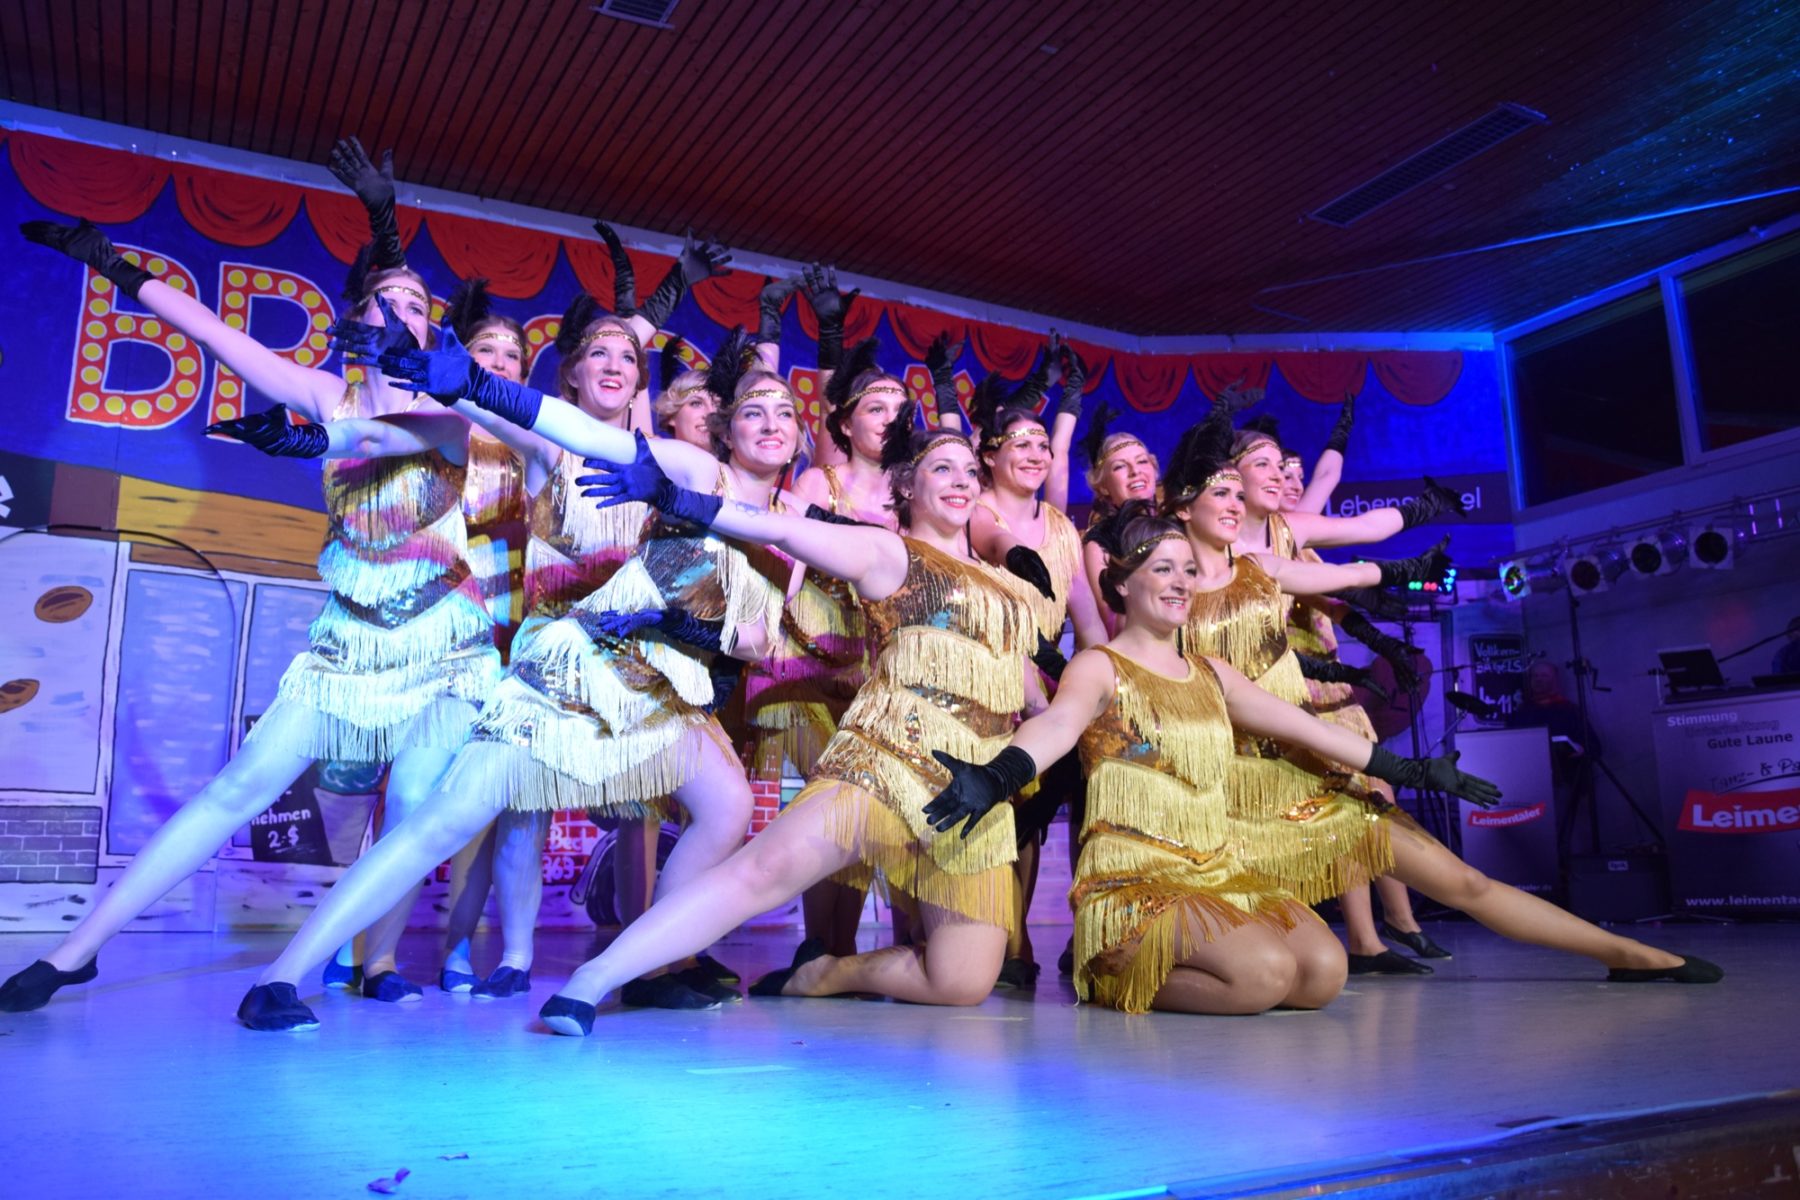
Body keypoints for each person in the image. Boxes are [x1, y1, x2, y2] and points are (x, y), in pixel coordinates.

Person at [923, 501, 1721, 1012]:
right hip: (1138, 879)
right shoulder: (1101, 667)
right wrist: (997, 775)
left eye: (1185, 570)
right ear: (1121, 586)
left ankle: (1623, 955)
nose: (1180, 582)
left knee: (1321, 975)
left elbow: (1311, 731)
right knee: (1266, 976)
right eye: (1161, 569)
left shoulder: (1211, 672)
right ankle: (1107, 973)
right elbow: (1058, 727)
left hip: (1217, 867)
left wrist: (1414, 772)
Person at [1, 215, 503, 1014]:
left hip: (447, 646)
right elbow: (213, 334)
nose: (406, 311)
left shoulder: (452, 407)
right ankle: (76, 951)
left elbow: (400, 437)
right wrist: (114, 265)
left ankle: (288, 975)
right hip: (350, 643)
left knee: (412, 807)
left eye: (419, 304)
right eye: (389, 298)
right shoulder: (327, 392)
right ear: (358, 317)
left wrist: (311, 442)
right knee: (240, 785)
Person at [529, 411, 1057, 1034]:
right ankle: (593, 980)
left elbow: (1029, 695)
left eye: (970, 471)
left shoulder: (1006, 589)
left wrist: (1031, 761)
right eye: (943, 468)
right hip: (889, 762)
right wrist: (679, 499)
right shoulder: (887, 550)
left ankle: (826, 974)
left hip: (973, 791)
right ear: (906, 486)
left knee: (962, 984)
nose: (962, 480)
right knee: (763, 873)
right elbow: (778, 526)